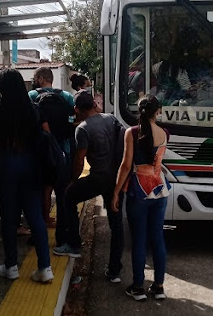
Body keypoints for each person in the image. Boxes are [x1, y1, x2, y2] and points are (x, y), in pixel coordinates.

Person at [0, 69, 53, 282]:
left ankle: (11, 266)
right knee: (35, 216)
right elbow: (47, 137)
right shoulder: (34, 110)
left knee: (9, 218)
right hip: (31, 166)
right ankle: (45, 268)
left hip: (5, 166)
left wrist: (1, 150)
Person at [53, 90, 124, 283]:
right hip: (116, 178)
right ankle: (114, 270)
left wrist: (73, 181)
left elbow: (79, 159)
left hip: (98, 178)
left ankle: (74, 245)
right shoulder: (111, 119)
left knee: (69, 197)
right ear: (94, 104)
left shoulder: (82, 129)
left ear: (76, 109)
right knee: (116, 223)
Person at [112, 95, 170, 301]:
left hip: (139, 190)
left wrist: (116, 192)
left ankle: (138, 287)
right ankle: (159, 287)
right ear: (158, 111)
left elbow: (126, 166)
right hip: (160, 190)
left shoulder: (132, 133)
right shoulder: (165, 133)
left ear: (139, 111)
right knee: (157, 238)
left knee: (139, 239)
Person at [29, 67, 74, 244]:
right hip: (63, 149)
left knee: (43, 189)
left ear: (40, 79)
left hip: (41, 151)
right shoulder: (67, 96)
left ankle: (44, 219)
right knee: (62, 191)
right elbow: (73, 120)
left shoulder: (32, 96)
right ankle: (63, 233)